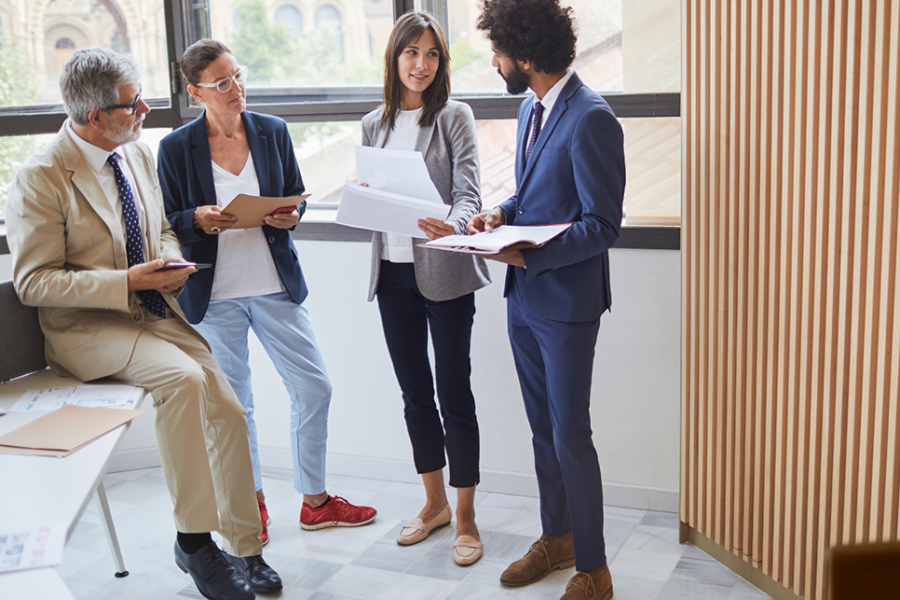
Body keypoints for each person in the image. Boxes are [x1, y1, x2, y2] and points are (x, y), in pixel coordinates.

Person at [5, 47, 281, 600]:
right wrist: (127, 281)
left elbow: (159, 231)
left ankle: (245, 548)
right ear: (95, 117)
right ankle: (195, 543)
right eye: (134, 105)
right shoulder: (40, 178)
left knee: (226, 407)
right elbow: (34, 282)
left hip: (158, 312)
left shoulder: (135, 155)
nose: (146, 110)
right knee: (183, 381)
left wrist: (170, 263)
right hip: (89, 329)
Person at [157, 39, 376, 546]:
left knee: (313, 387)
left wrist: (288, 214)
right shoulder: (174, 148)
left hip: (274, 285)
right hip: (215, 295)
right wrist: (197, 219)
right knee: (236, 407)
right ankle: (248, 501)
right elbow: (165, 221)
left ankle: (315, 502)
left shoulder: (272, 132)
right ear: (196, 92)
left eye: (239, 75)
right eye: (222, 82)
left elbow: (296, 197)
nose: (237, 88)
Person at [470, 1, 626, 599]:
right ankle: (556, 537)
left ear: (525, 56)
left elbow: (602, 225)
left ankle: (595, 567)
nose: (496, 62)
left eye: (500, 52)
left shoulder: (592, 118)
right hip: (524, 299)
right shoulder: (532, 106)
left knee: (570, 434)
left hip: (565, 304)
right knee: (542, 429)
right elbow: (534, 194)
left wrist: (527, 254)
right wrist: (500, 214)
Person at [361, 12, 491, 566]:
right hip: (391, 274)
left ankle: (465, 515)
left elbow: (469, 192)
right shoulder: (373, 123)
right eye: (412, 53)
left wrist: (455, 224)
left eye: (433, 54)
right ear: (394, 59)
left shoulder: (453, 116)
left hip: (444, 271)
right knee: (415, 395)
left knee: (453, 391)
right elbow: (374, 194)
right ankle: (433, 503)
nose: (422, 64)